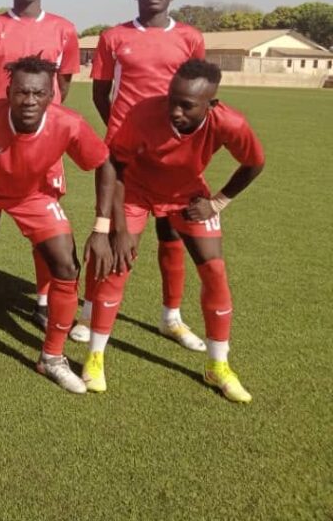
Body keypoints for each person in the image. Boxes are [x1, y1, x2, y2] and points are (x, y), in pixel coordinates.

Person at [82, 60, 263, 402]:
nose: (175, 111)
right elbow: (113, 165)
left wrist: (217, 203)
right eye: (171, 100)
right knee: (117, 266)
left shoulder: (231, 123)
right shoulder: (143, 113)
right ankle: (95, 357)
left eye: (187, 105)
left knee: (214, 271)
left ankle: (218, 366)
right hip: (135, 191)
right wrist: (116, 228)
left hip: (187, 195)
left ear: (211, 105)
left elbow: (254, 163)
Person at [0, 56, 115, 394]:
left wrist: (102, 227)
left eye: (38, 93)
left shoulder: (68, 123)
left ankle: (52, 357)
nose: (29, 101)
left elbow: (104, 163)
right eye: (21, 92)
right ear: (8, 92)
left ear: (52, 95)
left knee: (66, 264)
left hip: (32, 194)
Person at [70, 0, 207, 349]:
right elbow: (100, 92)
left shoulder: (190, 38)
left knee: (171, 233)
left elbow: (197, 91)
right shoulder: (114, 37)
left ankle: (171, 317)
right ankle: (89, 311)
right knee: (110, 230)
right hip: (124, 155)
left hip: (172, 154)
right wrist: (121, 132)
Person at [0, 0, 81, 330]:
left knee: (44, 226)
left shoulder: (64, 29)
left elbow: (63, 85)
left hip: (43, 143)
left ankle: (44, 301)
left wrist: (41, 120)